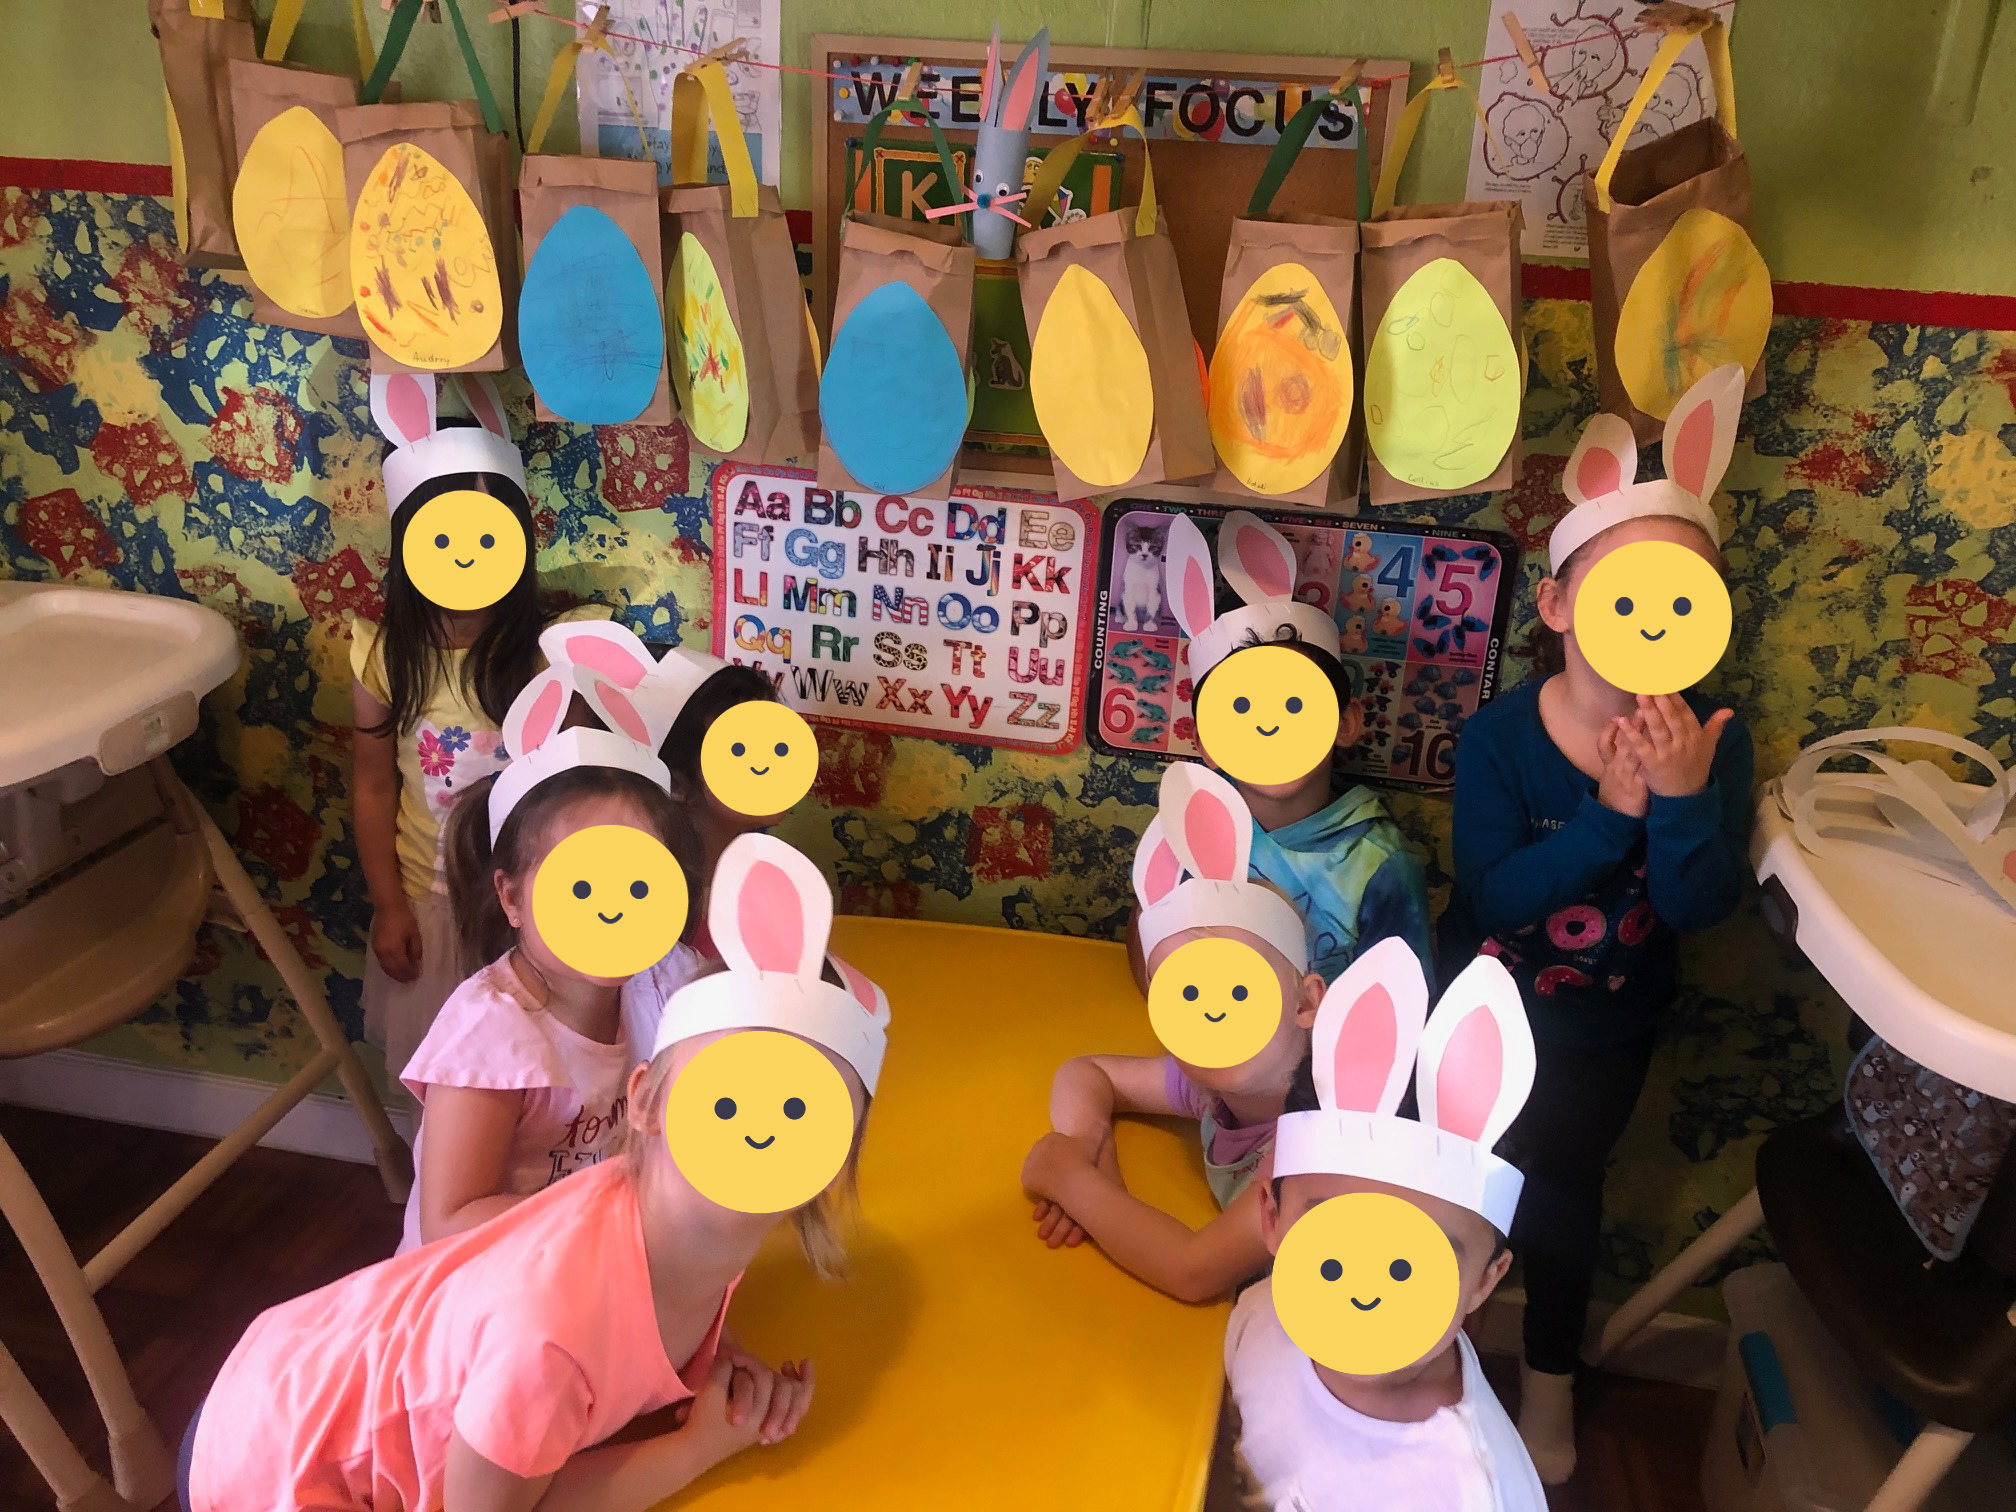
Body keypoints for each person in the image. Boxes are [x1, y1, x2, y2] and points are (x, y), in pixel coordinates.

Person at [179, 833, 887, 1512]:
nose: (758, 1136)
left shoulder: (692, 1231)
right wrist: (700, 1448)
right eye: (725, 1101)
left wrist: (716, 1366)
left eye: (804, 1114)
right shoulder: (551, 1326)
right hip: (272, 1464)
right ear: (645, 1102)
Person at [1438, 366, 1755, 1482]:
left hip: (1605, 1031)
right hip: (1475, 1008)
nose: (1654, 625)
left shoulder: (1714, 735)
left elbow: (1698, 909)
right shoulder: (1502, 740)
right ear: (1562, 605)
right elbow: (1494, 898)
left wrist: (1675, 801)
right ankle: (1423, 1359)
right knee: (1447, 1184)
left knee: (1562, 1203)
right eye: (1627, 594)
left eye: (1687, 599)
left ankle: (1553, 1385)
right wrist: (1607, 817)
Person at [1227, 938, 1546, 1512]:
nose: (1364, 1283)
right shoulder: (1263, 1310)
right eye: (1334, 1239)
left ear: (1484, 1281)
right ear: (1271, 1220)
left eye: (1412, 1262)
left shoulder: (1464, 1496)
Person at [351, 374, 601, 1093]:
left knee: (536, 1072)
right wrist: (389, 904)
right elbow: (371, 787)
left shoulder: (550, 652)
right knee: (448, 1078)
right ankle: (441, 1193)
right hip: (431, 905)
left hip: (531, 906)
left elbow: (573, 787)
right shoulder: (380, 655)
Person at [397, 662, 699, 1253]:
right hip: (490, 1285)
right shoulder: (492, 1031)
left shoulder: (667, 988)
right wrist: (626, 1217)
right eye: (581, 887)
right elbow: (452, 1220)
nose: (614, 910)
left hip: (601, 1261)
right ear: (512, 897)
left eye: (641, 886)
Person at [1024, 764, 1322, 1303]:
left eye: (1239, 992)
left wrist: (1068, 1180)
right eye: (1184, 994)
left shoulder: (1315, 1138)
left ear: (1306, 1003)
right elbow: (1086, 1073)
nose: (1211, 1017)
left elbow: (1194, 1272)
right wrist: (1090, 1150)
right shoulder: (1216, 1080)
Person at [1131, 510, 1430, 990]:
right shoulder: (1190, 827)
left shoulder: (1381, 864)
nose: (1268, 725)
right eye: (1241, 708)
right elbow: (1150, 971)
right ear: (1206, 742)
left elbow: (1401, 1006)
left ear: (1345, 723)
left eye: (1295, 704)